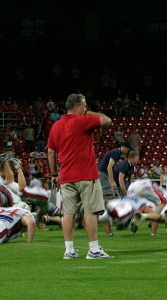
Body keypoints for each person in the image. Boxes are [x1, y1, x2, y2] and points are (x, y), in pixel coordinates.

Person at [47, 93, 113, 259]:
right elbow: (107, 120)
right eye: (84, 105)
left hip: (66, 176)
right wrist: (90, 113)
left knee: (68, 213)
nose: (85, 108)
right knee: (91, 212)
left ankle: (69, 250)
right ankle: (93, 249)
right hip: (86, 175)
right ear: (77, 105)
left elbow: (50, 151)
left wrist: (54, 173)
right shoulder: (82, 120)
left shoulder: (56, 126)